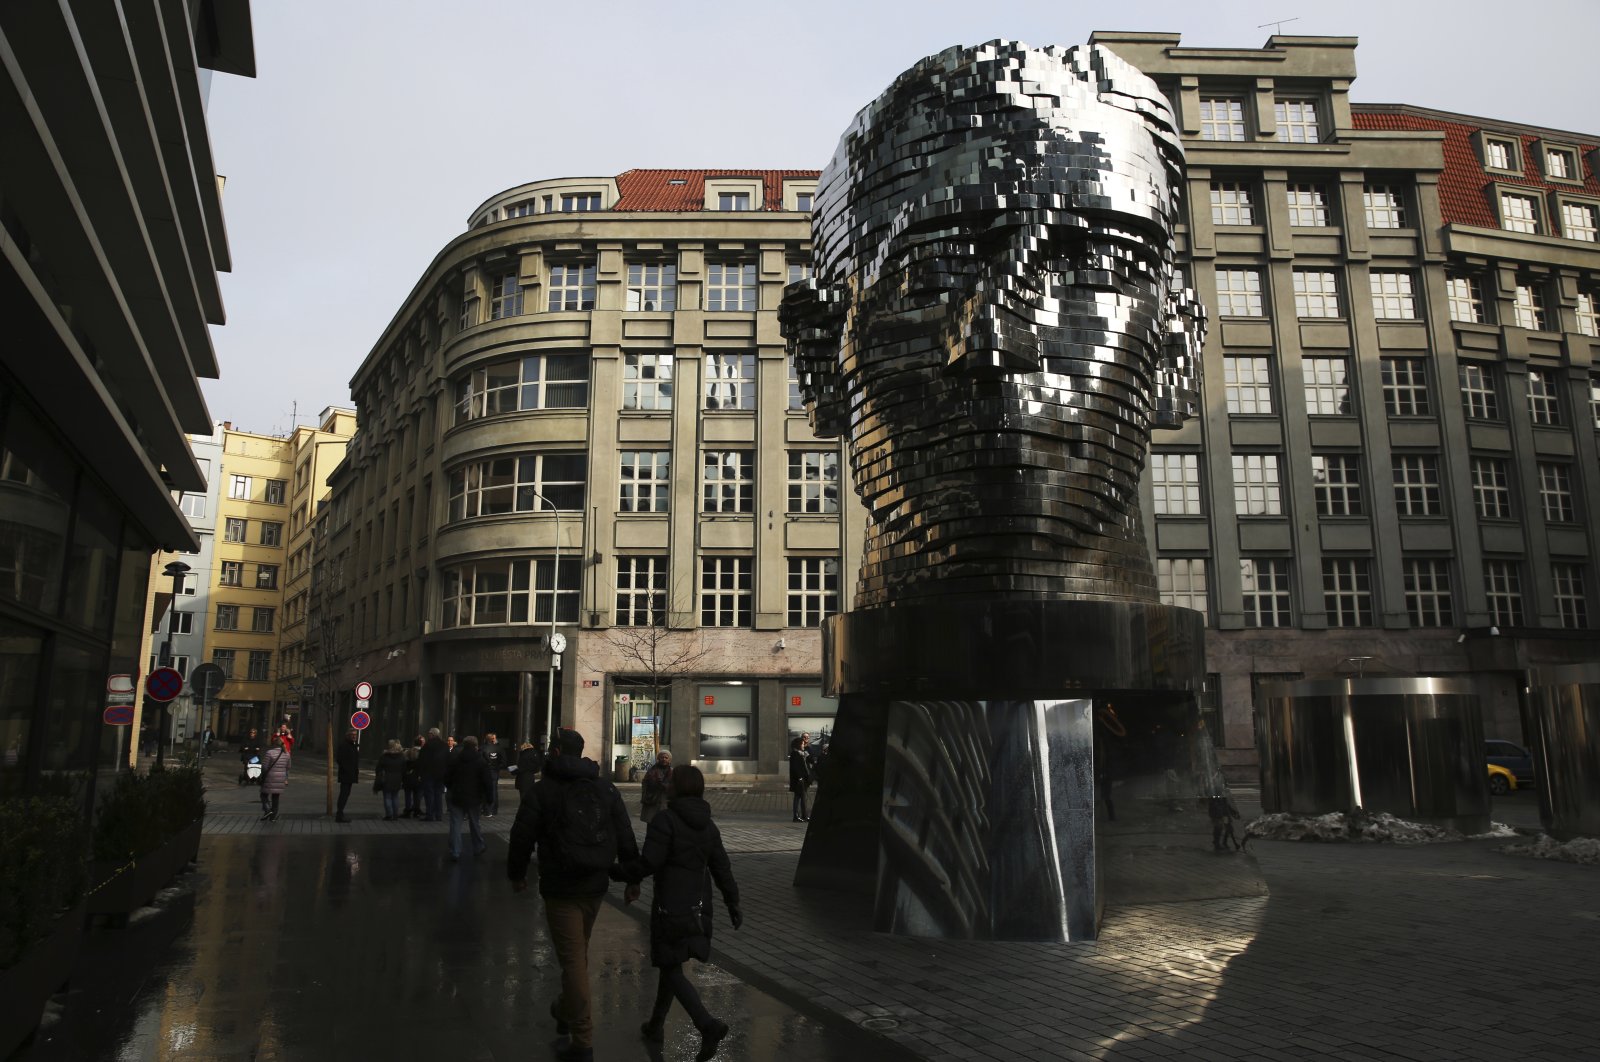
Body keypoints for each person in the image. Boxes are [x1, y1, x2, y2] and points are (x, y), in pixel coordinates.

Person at [507, 729, 640, 1062]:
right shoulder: (604, 788)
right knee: (575, 956)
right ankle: (566, 1011)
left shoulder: (543, 790)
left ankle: (582, 1040)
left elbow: (522, 834)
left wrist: (517, 874)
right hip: (595, 883)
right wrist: (631, 877)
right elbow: (623, 831)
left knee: (574, 963)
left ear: (553, 751)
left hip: (560, 885)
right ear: (582, 752)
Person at [615, 764, 741, 1060]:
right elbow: (722, 867)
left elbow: (650, 862)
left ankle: (707, 1024)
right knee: (671, 965)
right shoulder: (708, 826)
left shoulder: (666, 820)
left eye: (672, 782)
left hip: (670, 907)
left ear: (678, 788)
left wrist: (617, 872)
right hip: (698, 907)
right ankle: (656, 1025)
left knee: (670, 967)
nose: (667, 784)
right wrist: (733, 902)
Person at [446, 735, 494, 860]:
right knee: (475, 823)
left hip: (457, 795)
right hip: (474, 796)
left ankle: (455, 851)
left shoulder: (456, 759)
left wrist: (451, 787)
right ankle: (478, 846)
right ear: (476, 745)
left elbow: (447, 777)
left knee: (455, 824)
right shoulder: (481, 761)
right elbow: (488, 782)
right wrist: (489, 798)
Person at [419, 727, 449, 821]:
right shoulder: (444, 745)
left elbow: (422, 760)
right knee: (438, 795)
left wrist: (421, 773)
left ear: (432, 734)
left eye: (429, 733)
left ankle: (430, 815)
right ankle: (438, 815)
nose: (428, 735)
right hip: (440, 774)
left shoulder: (428, 745)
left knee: (429, 795)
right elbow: (448, 760)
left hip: (429, 774)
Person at [259, 735, 290, 822]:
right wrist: (286, 778)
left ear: (274, 744)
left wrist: (262, 775)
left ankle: (268, 810)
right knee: (275, 797)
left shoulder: (269, 753)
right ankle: (273, 817)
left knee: (263, 795)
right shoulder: (286, 754)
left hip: (270, 777)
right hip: (281, 779)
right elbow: (288, 767)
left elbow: (264, 767)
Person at [376, 739, 406, 820]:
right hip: (398, 778)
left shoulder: (384, 756)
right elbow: (404, 769)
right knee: (395, 796)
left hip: (387, 778)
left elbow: (378, 768)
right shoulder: (401, 756)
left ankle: (389, 814)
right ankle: (395, 814)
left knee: (387, 797)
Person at [640, 749, 672, 823]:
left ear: (669, 760)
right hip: (652, 800)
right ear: (658, 759)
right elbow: (645, 784)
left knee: (664, 823)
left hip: (665, 801)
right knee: (652, 822)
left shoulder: (672, 772)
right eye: (662, 757)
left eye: (666, 758)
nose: (664, 759)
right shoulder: (651, 771)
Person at [335, 728, 360, 823]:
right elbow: (340, 759)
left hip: (350, 775)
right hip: (346, 775)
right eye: (352, 735)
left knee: (346, 794)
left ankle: (340, 814)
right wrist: (347, 770)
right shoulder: (344, 746)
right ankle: (339, 815)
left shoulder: (352, 746)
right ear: (348, 736)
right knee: (344, 795)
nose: (354, 736)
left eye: (355, 735)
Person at [789, 735, 814, 822]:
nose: (803, 745)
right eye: (802, 744)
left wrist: (806, 755)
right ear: (798, 744)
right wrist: (800, 778)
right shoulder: (795, 754)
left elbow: (811, 761)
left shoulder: (803, 753)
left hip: (804, 779)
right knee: (799, 797)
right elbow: (795, 768)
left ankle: (804, 815)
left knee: (802, 797)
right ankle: (797, 816)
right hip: (799, 780)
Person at [481, 732, 505, 817]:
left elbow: (480, 760)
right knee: (494, 789)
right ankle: (493, 809)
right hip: (494, 771)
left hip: (485, 771)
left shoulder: (483, 748)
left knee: (484, 790)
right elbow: (503, 761)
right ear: (492, 739)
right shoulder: (499, 748)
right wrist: (497, 767)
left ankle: (486, 809)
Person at [401, 745, 422, 818]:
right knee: (417, 796)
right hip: (417, 781)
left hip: (408, 781)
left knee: (408, 796)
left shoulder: (406, 763)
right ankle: (416, 810)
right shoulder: (419, 763)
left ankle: (407, 810)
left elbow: (403, 772)